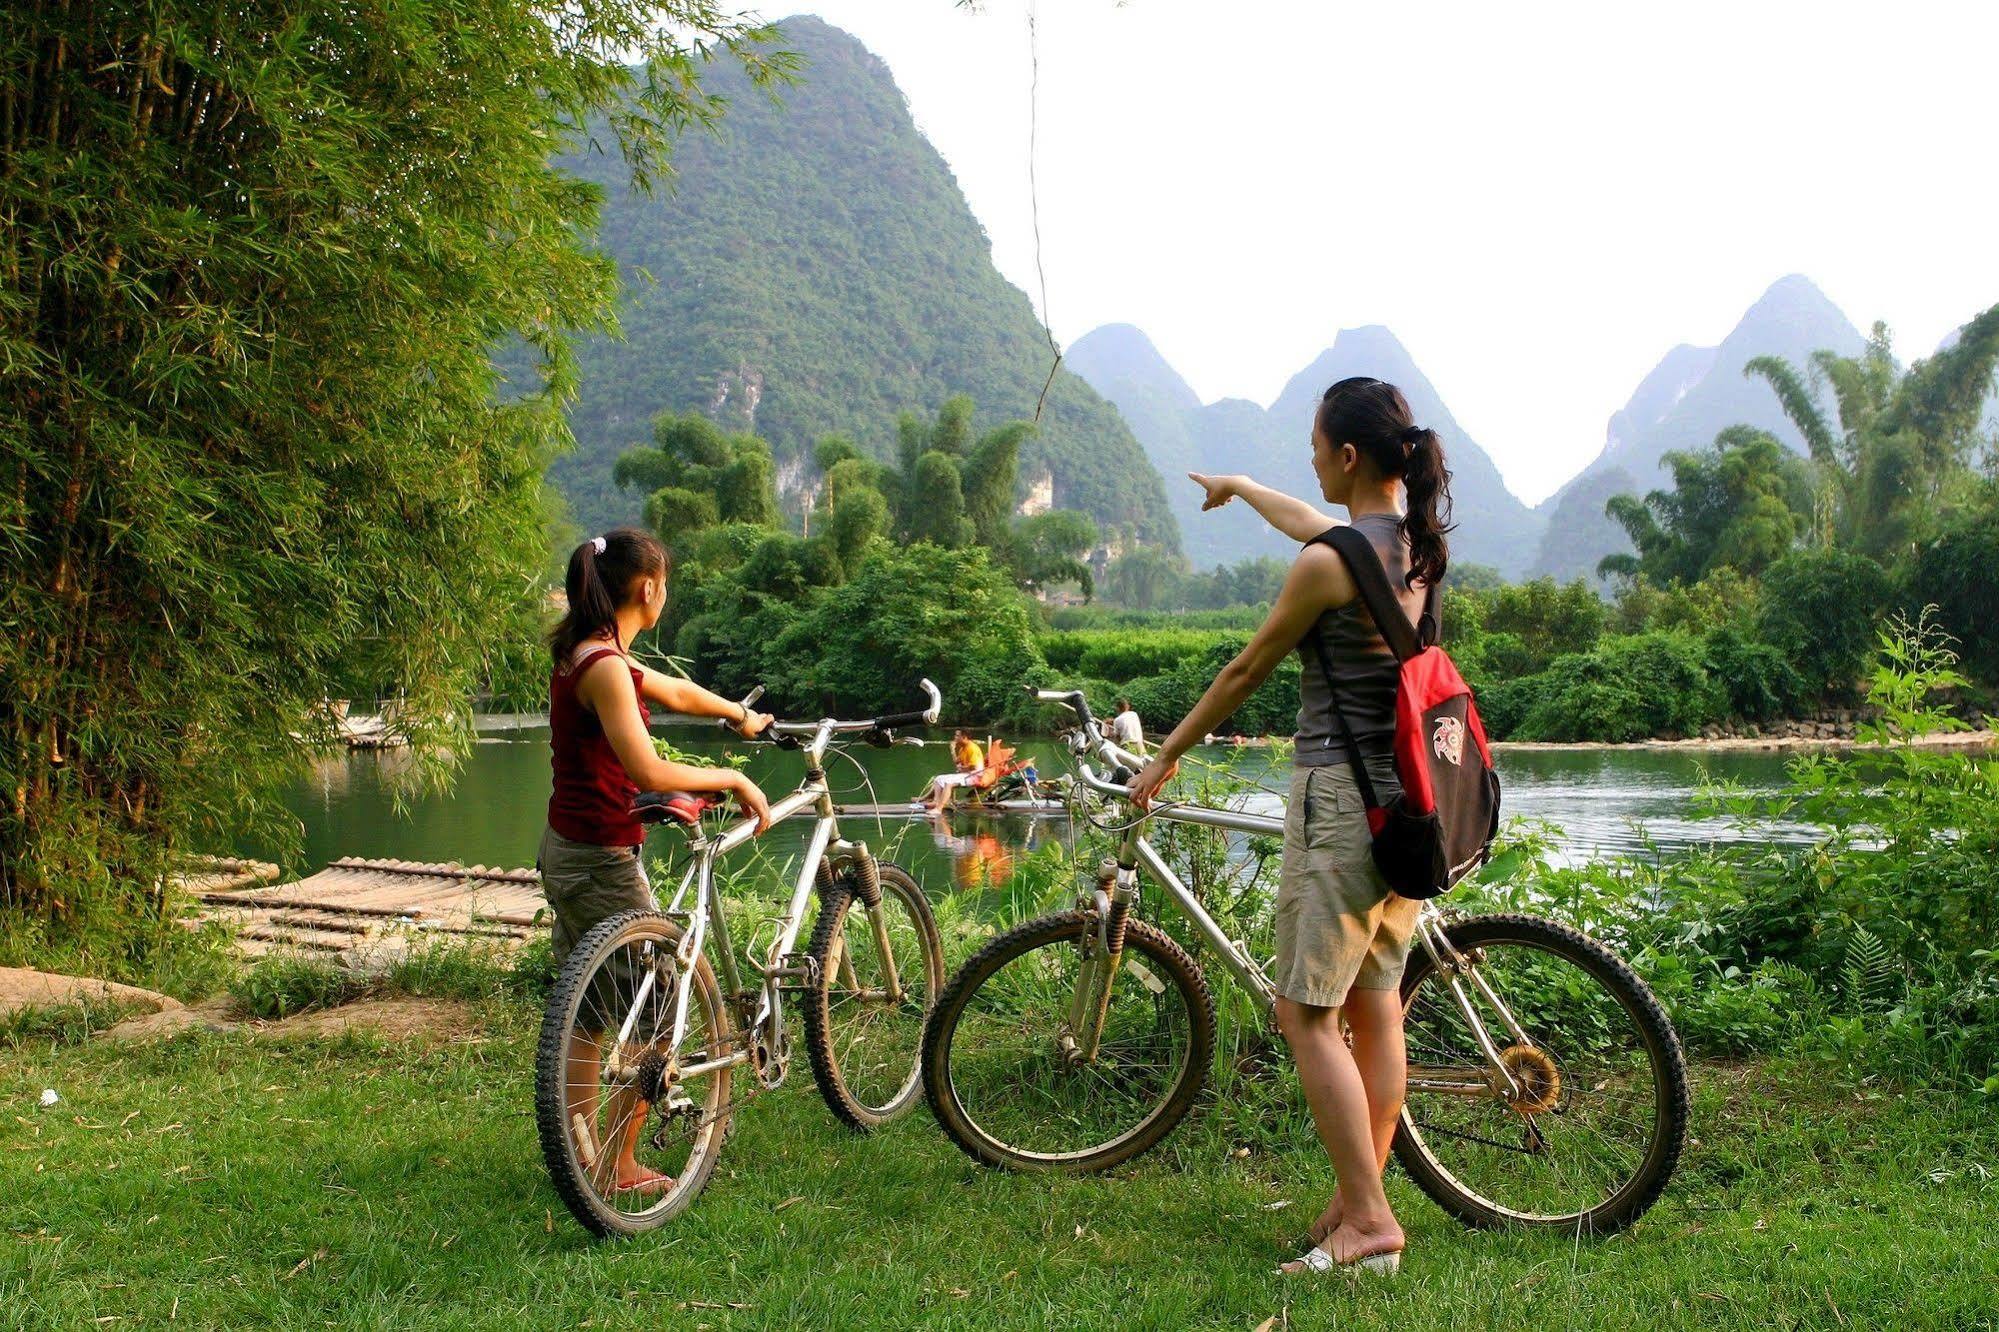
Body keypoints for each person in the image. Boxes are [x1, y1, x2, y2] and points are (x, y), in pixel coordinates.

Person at [1128, 378, 1453, 1277]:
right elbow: (1314, 519)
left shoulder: (1328, 566)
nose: (1308, 460)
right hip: (1404, 805)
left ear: (1347, 455)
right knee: (1373, 1004)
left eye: (1314, 445)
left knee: (1302, 1012)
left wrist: (1164, 755)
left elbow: (1243, 671)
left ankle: (1368, 1222)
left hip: (1340, 804)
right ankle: (1362, 1202)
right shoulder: (1415, 550)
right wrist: (1236, 485)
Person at [541, 527, 774, 1196]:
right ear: (647, 588)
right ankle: (616, 1168)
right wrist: (730, 779)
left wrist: (738, 714)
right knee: (662, 1006)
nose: (665, 592)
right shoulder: (606, 666)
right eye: (664, 582)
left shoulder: (590, 651)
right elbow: (643, 764)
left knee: (590, 1008)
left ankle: (584, 1149)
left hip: (570, 848)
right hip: (599, 857)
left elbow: (673, 691)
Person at [920, 729, 987, 812]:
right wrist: (952, 750)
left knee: (949, 783)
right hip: (965, 774)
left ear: (964, 737)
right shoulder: (963, 748)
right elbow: (956, 762)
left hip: (974, 776)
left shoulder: (972, 748)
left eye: (957, 736)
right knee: (938, 779)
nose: (955, 737)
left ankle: (939, 809)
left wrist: (962, 768)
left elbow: (974, 767)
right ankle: (936, 801)